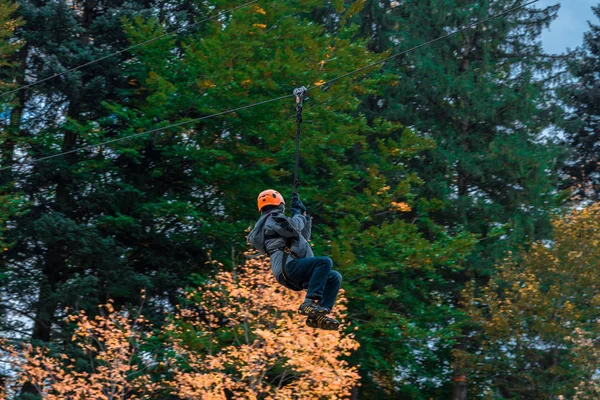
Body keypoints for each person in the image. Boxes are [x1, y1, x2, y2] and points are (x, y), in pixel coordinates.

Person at [248, 189, 342, 330]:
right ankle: (309, 303)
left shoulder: (278, 223)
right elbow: (293, 227)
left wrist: (304, 215)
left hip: (290, 271)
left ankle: (317, 315)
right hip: (287, 267)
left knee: (334, 277)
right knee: (324, 261)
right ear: (280, 205)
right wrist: (297, 214)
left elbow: (302, 236)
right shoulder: (272, 219)